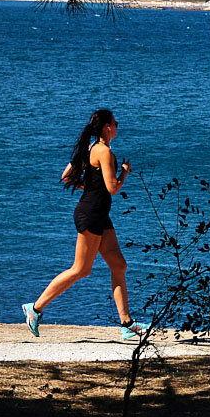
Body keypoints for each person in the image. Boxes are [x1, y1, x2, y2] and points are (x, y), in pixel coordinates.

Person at [22, 109, 149, 340]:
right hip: (91, 215)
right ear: (107, 127)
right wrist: (124, 173)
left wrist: (89, 187)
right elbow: (113, 188)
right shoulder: (105, 152)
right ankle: (35, 308)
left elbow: (66, 176)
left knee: (119, 265)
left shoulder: (90, 148)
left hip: (99, 214)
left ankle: (126, 324)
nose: (117, 124)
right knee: (81, 269)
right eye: (115, 122)